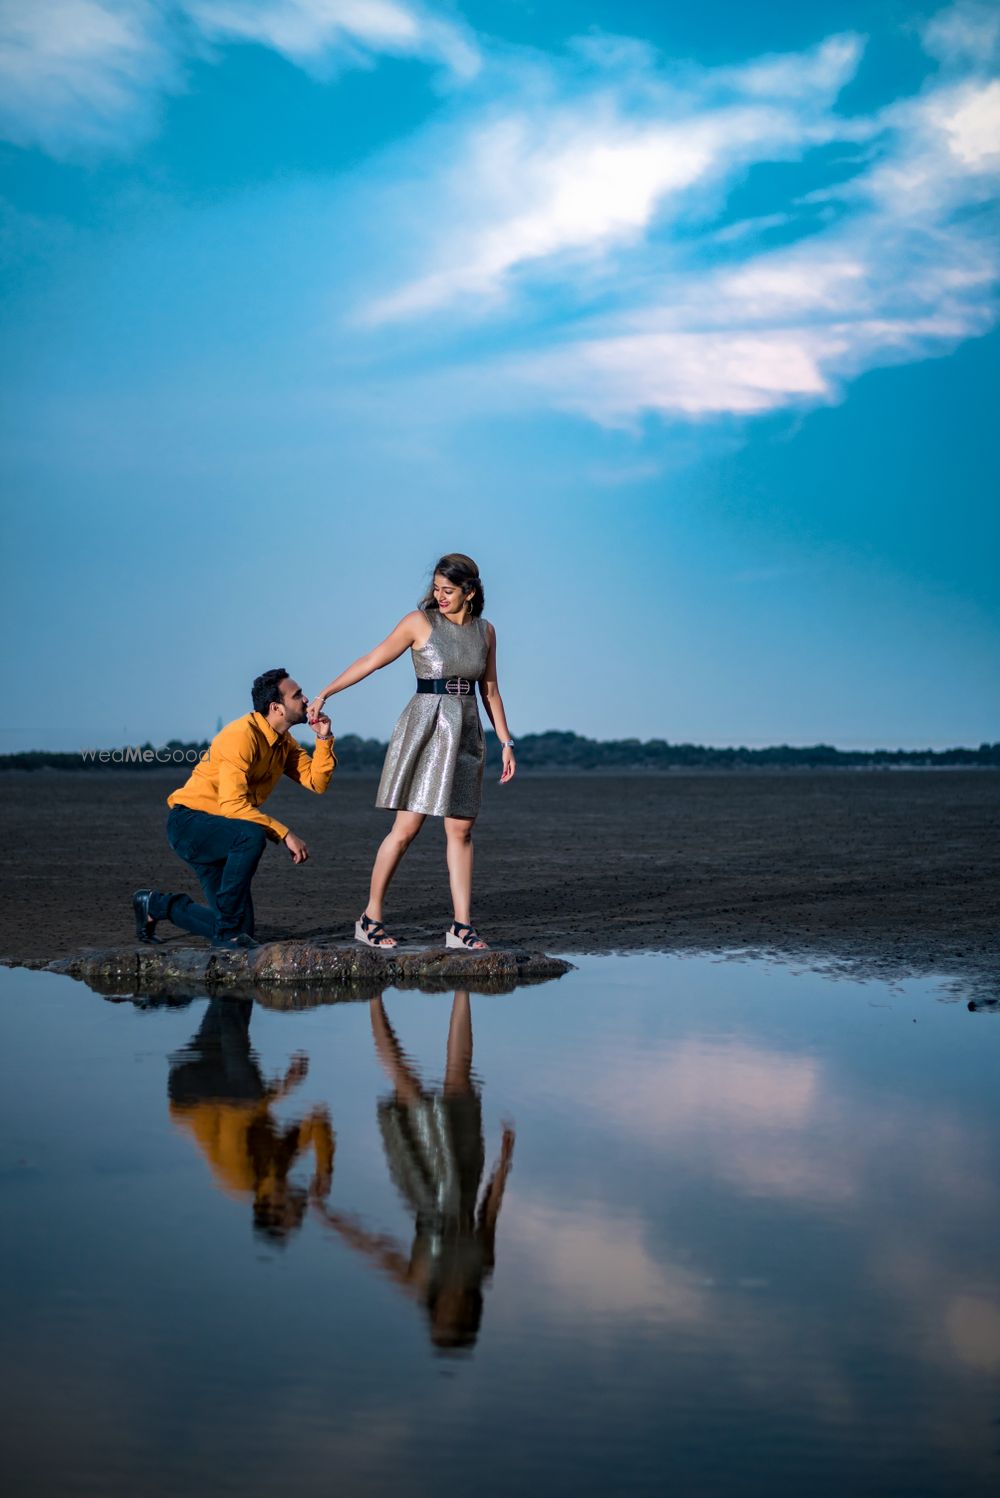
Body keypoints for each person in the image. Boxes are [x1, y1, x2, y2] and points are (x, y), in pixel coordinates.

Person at [308, 553, 515, 951]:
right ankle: (369, 919)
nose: (439, 596)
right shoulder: (419, 623)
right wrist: (325, 693)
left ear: (470, 592)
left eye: (448, 591)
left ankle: (461, 927)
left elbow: (489, 690)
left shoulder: (485, 632)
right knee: (406, 829)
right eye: (436, 588)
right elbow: (372, 659)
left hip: (467, 729)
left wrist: (506, 741)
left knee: (461, 829)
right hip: (426, 727)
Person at [312, 991, 514, 1352]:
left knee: (407, 1086)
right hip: (467, 1173)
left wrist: (332, 1221)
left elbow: (373, 1248)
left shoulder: (418, 1283)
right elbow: (490, 1212)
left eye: (445, 1319)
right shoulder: (482, 1268)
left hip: (426, 1180)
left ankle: (373, 999)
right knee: (460, 1079)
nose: (451, 1310)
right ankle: (462, 991)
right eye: (453, 1319)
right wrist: (504, 1162)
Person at [132, 669, 335, 952]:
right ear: (276, 708)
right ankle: (227, 932)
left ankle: (153, 904)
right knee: (251, 836)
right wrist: (284, 833)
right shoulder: (241, 736)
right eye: (297, 694)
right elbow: (233, 804)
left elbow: (316, 782)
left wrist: (324, 740)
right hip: (191, 824)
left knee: (241, 930)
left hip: (225, 830)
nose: (305, 699)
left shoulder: (283, 743)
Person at [168, 999, 334, 1244]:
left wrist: (283, 1088)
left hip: (190, 1095)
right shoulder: (280, 1165)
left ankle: (229, 981)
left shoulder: (240, 1179)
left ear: (271, 1207)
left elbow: (236, 1117)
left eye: (295, 1214)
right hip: (216, 1086)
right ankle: (230, 977)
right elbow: (318, 1118)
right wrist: (324, 1169)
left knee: (248, 1088)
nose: (302, 1208)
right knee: (236, 1000)